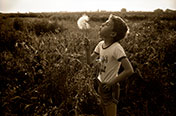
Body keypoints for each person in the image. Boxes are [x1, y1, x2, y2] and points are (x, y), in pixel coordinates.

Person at [84, 14, 134, 116]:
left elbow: (129, 70)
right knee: (104, 111)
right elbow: (90, 62)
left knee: (110, 111)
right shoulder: (100, 45)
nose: (102, 24)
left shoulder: (116, 48)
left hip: (110, 88)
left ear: (113, 34)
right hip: (100, 84)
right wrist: (87, 50)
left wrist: (111, 83)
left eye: (107, 24)